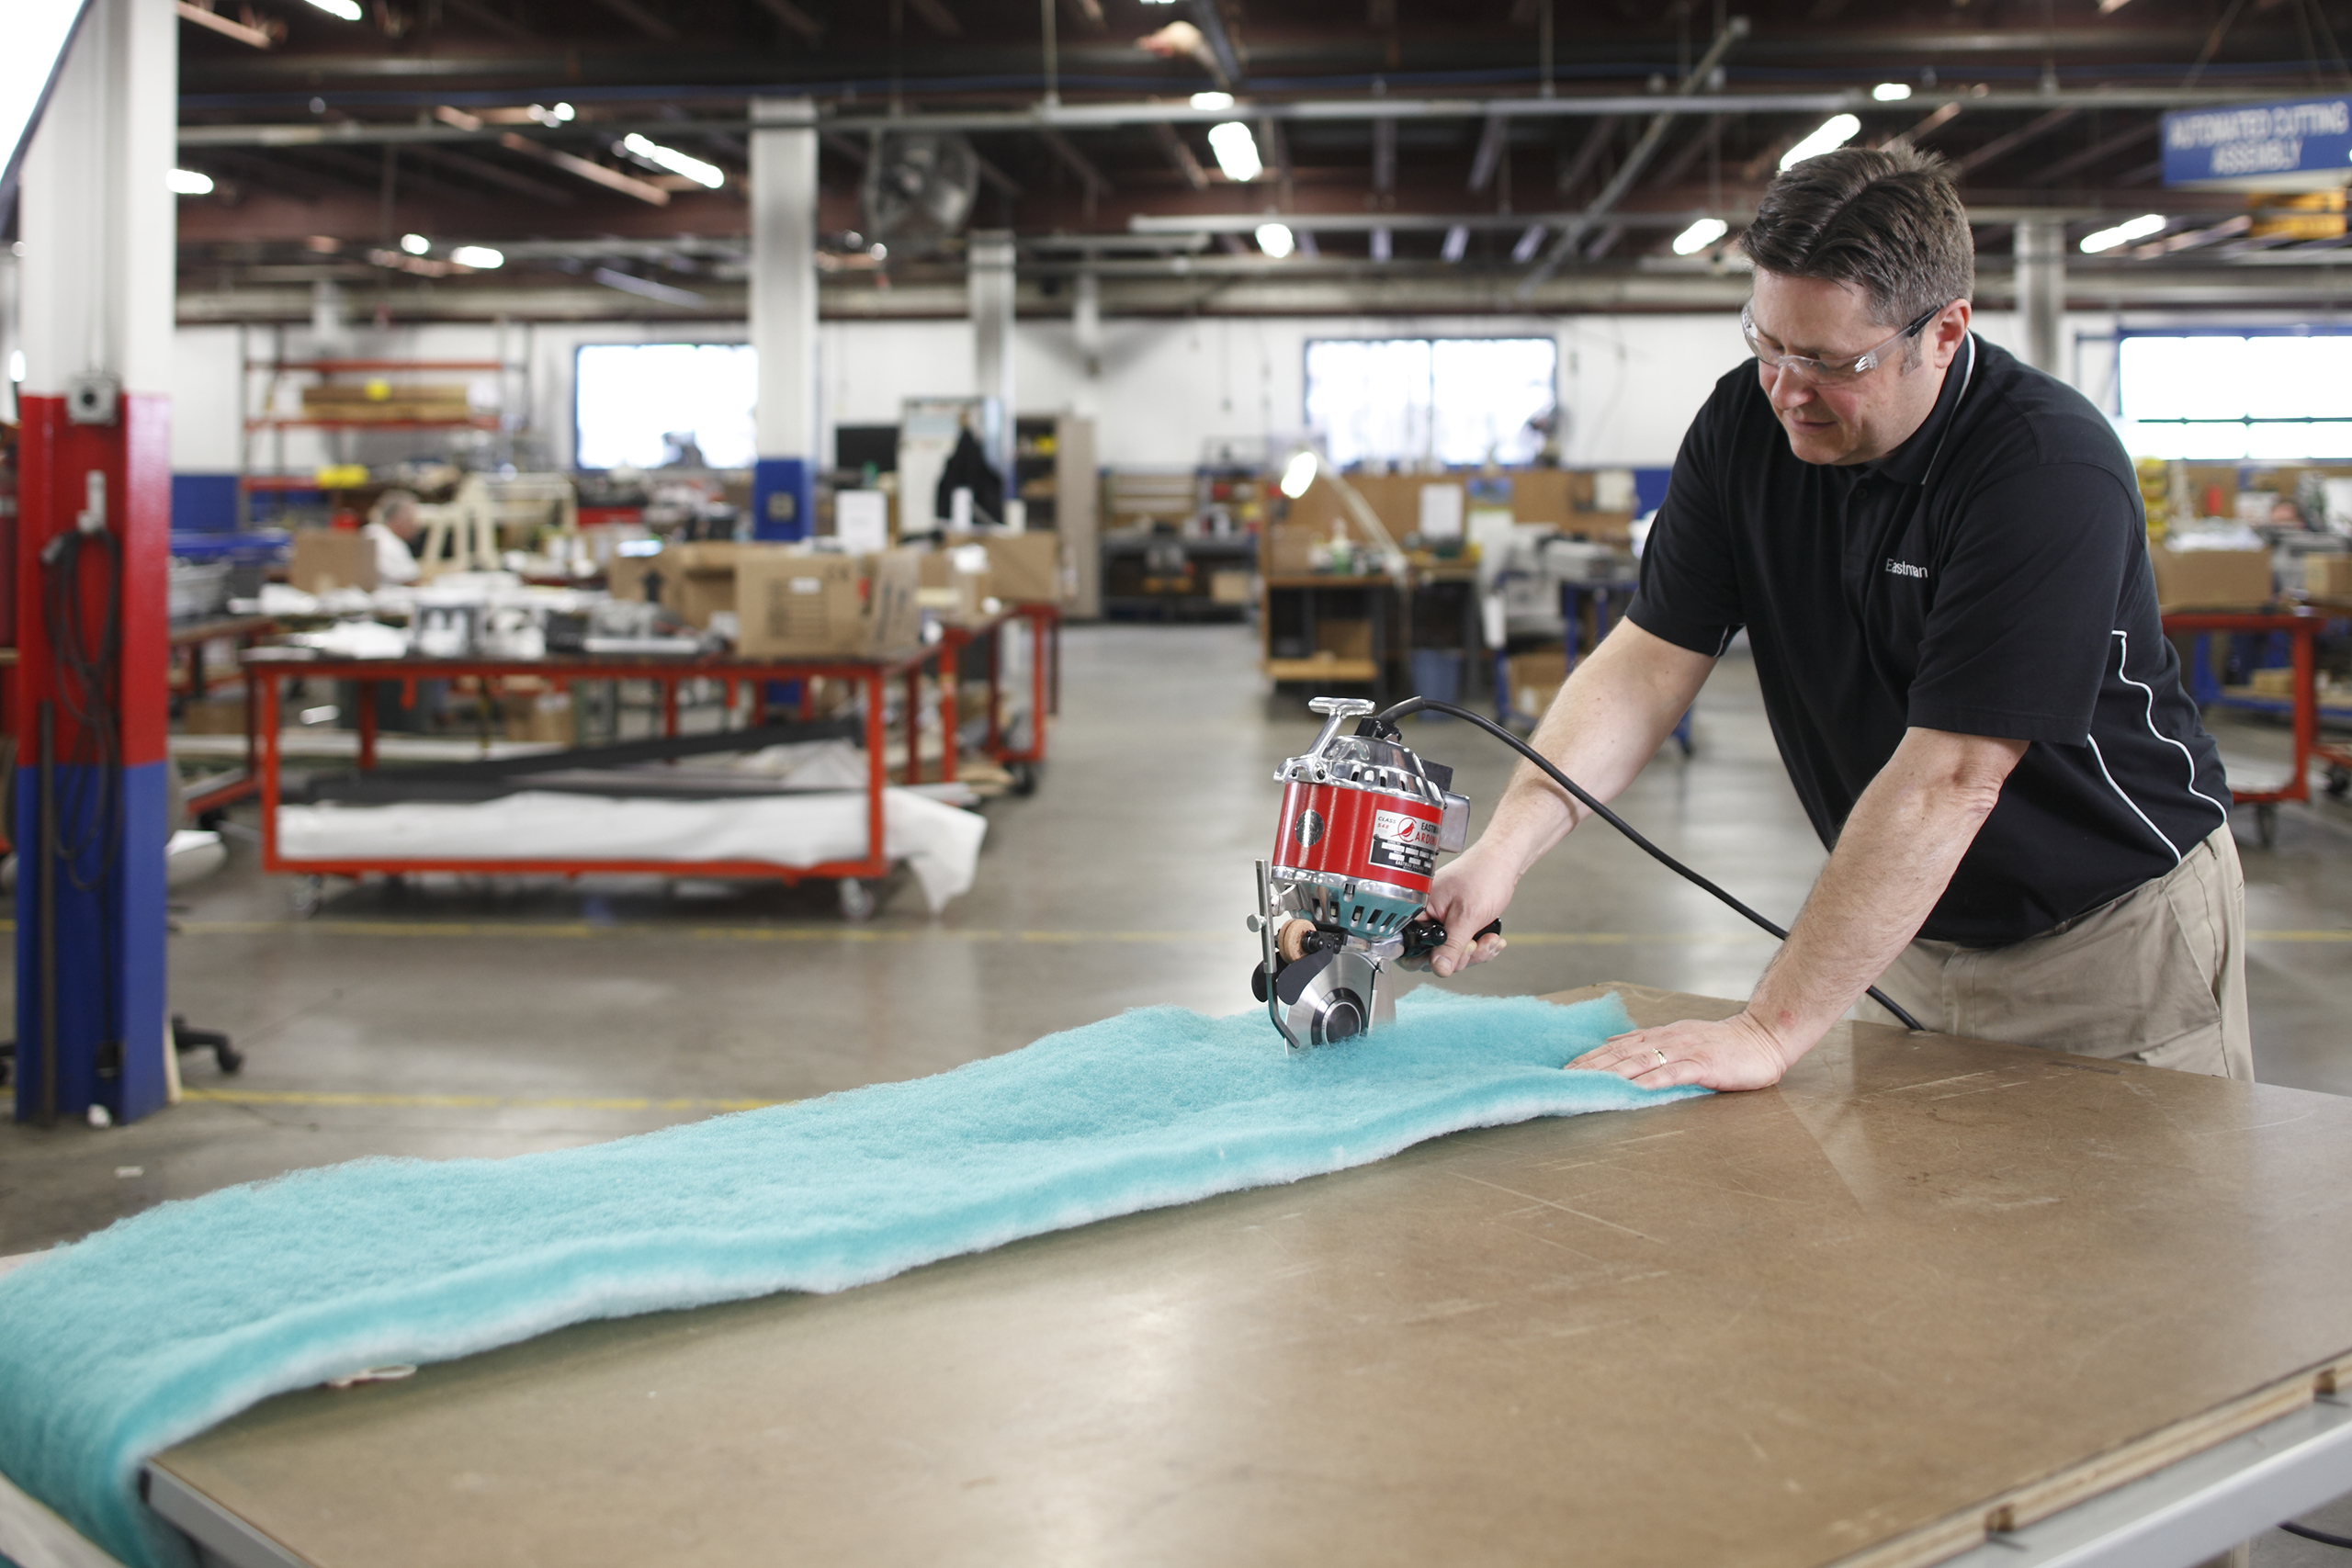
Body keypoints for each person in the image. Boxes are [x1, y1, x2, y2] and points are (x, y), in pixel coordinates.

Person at [1420, 144, 2250, 1091]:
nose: (1784, 390)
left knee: (2128, 1235)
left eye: (1827, 362)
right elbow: (1646, 665)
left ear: (1943, 333)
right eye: (1765, 344)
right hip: (1902, 933)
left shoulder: (2044, 470)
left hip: (2108, 942)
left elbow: (1952, 779)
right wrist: (1504, 848)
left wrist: (1771, 1030)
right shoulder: (1745, 427)